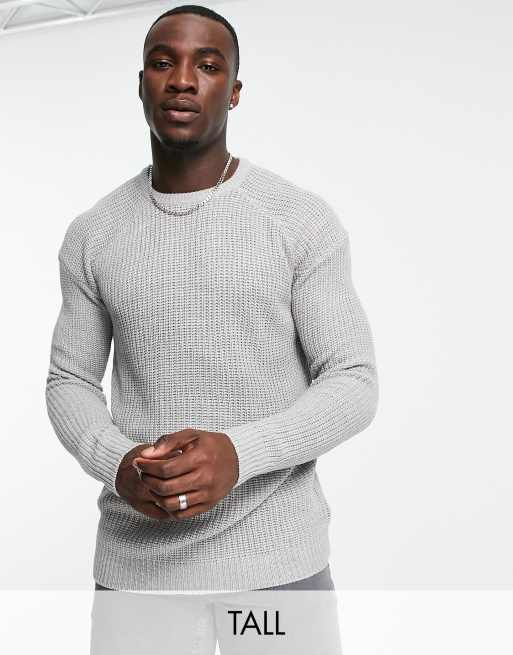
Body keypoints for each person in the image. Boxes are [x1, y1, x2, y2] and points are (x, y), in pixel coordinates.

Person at [45, 4, 378, 652]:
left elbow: (353, 379)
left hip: (276, 569)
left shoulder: (298, 221)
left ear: (235, 90)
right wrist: (116, 462)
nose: (181, 80)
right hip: (138, 576)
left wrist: (239, 453)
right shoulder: (94, 234)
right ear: (141, 83)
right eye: (162, 62)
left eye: (207, 65)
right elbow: (68, 380)